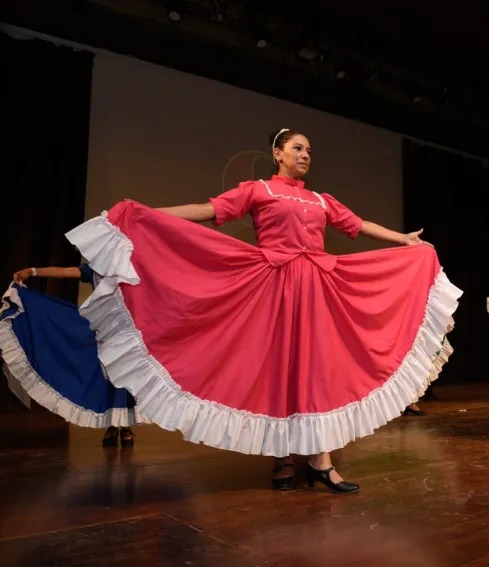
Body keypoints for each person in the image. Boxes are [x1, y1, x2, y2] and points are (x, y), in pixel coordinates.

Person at [63, 128, 461, 494]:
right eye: (298, 149)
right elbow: (207, 211)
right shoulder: (259, 190)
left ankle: (321, 460)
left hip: (318, 290)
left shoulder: (321, 200)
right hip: (275, 290)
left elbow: (359, 224)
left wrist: (403, 239)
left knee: (317, 370)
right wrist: (149, 214)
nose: (306, 156)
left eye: (309, 151)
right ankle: (283, 457)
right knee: (279, 368)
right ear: (278, 153)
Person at [1, 264, 141, 446]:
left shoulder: (131, 268)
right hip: (101, 327)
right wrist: (33, 271)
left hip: (126, 329)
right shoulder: (97, 268)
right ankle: (112, 425)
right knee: (103, 378)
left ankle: (126, 426)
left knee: (123, 378)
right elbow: (66, 271)